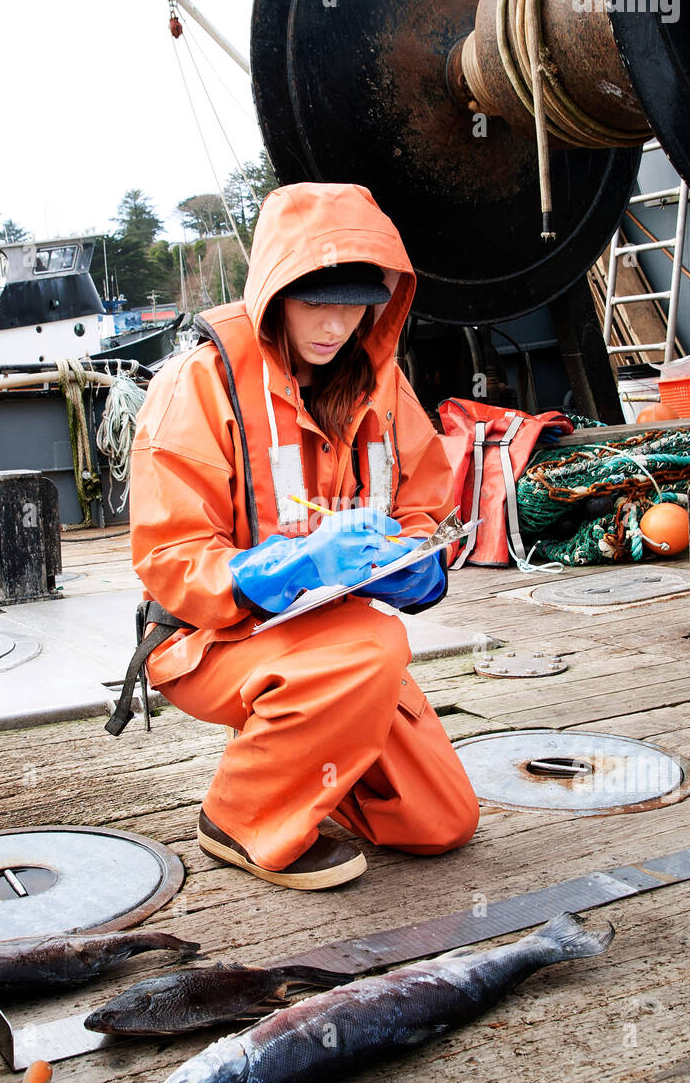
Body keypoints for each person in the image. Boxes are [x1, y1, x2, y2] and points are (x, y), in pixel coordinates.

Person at [129, 182, 479, 890]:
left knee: (439, 821)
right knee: (377, 645)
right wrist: (282, 568)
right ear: (274, 294)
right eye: (315, 302)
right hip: (207, 636)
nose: (335, 325)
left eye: (355, 305)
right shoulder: (197, 382)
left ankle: (307, 750)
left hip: (334, 637)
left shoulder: (383, 383)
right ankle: (239, 819)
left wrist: (419, 565)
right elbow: (168, 560)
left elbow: (425, 504)